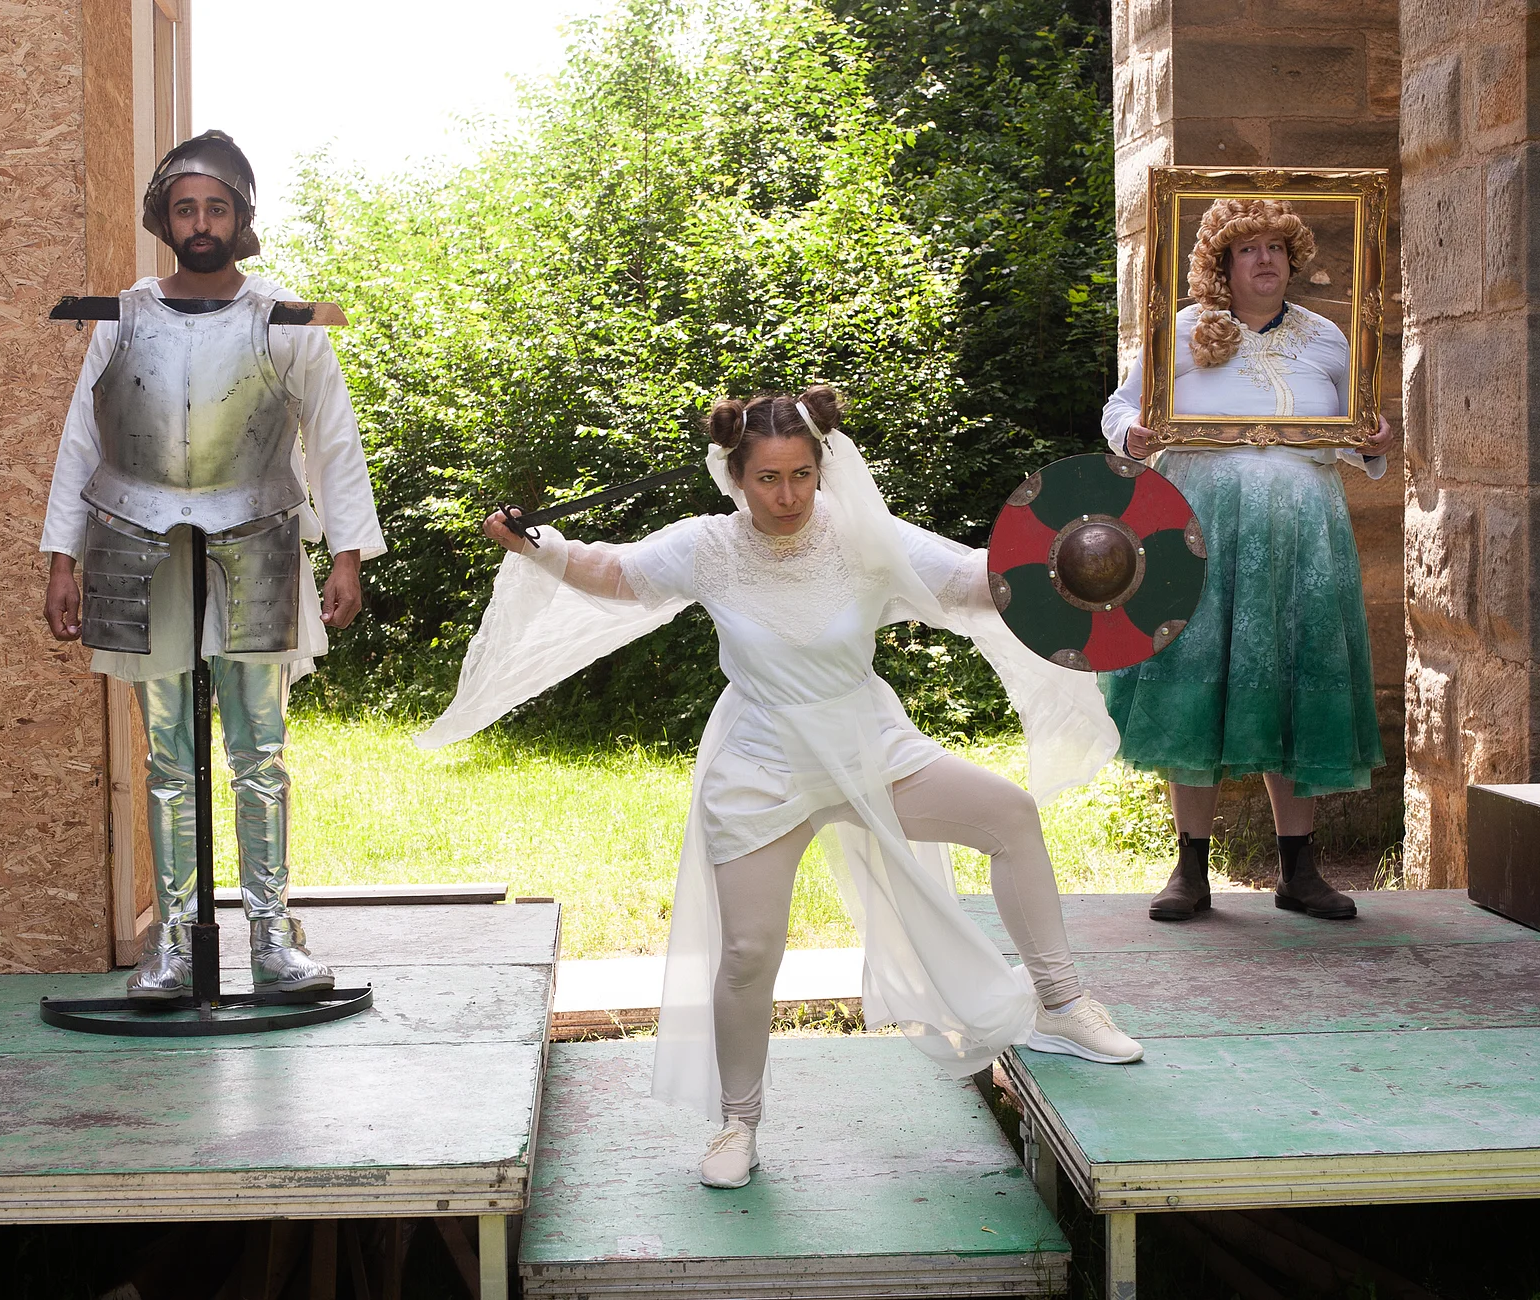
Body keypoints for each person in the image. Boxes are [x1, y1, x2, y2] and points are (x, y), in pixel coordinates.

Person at [419, 387, 1140, 1191]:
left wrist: (1079, 556)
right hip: (761, 764)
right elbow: (614, 571)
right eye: (768, 479)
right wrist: (539, 543)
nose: (789, 496)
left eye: (802, 474)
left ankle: (1063, 1006)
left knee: (1009, 814)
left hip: (869, 742)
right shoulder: (706, 547)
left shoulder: (864, 536)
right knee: (749, 951)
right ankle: (740, 1122)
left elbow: (973, 582)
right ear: (736, 476)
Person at [40, 131, 385, 997]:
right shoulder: (122, 315)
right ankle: (177, 942)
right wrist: (60, 559)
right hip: (137, 537)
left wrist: (345, 553)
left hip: (258, 534)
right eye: (187, 207)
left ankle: (270, 934)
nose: (201, 223)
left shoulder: (283, 318)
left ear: (241, 220)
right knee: (166, 753)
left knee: (259, 748)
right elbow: (84, 442)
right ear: (167, 218)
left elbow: (332, 441)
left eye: (217, 207)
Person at [1101, 198, 1394, 923]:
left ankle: (1299, 871)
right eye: (1246, 249)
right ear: (1223, 264)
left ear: (1293, 259)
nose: (1263, 259)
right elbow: (1121, 408)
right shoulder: (1179, 333)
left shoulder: (1329, 338)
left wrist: (1377, 437)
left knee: (1294, 674)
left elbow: (1361, 438)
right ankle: (1190, 870)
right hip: (1199, 530)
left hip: (1304, 538)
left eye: (1276, 247)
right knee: (1197, 677)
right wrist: (1134, 436)